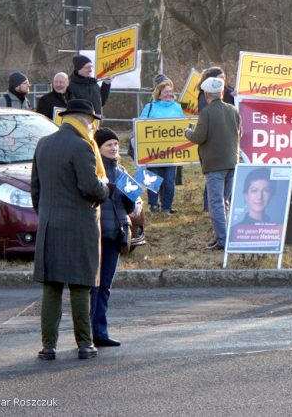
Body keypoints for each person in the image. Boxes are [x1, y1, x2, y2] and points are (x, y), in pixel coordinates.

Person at [31, 99, 110, 361]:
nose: (93, 127)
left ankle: (48, 347)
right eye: (92, 122)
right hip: (80, 226)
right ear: (86, 120)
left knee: (52, 287)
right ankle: (85, 345)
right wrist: (105, 190)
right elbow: (89, 186)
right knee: (80, 286)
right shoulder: (82, 146)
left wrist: (46, 214)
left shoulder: (43, 144)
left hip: (50, 225)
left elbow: (36, 190)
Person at [184, 77, 242, 250]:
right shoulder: (233, 109)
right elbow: (240, 133)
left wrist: (187, 132)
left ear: (207, 94)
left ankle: (223, 241)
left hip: (215, 164)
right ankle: (227, 236)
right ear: (222, 92)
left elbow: (199, 137)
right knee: (225, 201)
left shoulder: (207, 112)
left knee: (215, 203)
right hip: (232, 161)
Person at [90, 127, 135, 348]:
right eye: (109, 145)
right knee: (94, 286)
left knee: (105, 285)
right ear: (99, 148)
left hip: (117, 233)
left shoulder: (121, 172)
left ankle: (101, 332)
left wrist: (132, 197)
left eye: (116, 144)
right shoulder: (96, 172)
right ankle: (91, 332)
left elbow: (128, 207)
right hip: (99, 234)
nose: (114, 148)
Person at [139, 75, 184, 213]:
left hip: (171, 151)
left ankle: (167, 207)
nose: (169, 94)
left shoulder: (177, 107)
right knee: (153, 178)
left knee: (170, 181)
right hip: (154, 150)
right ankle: (153, 205)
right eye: (165, 92)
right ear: (159, 94)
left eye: (170, 92)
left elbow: (183, 126)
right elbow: (141, 124)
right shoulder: (150, 106)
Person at [195, 66, 236, 211]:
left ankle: (222, 205)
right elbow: (205, 115)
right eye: (220, 78)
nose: (223, 81)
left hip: (225, 140)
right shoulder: (204, 96)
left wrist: (238, 95)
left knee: (220, 177)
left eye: (224, 78)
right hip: (213, 141)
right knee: (213, 175)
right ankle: (209, 205)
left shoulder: (229, 91)